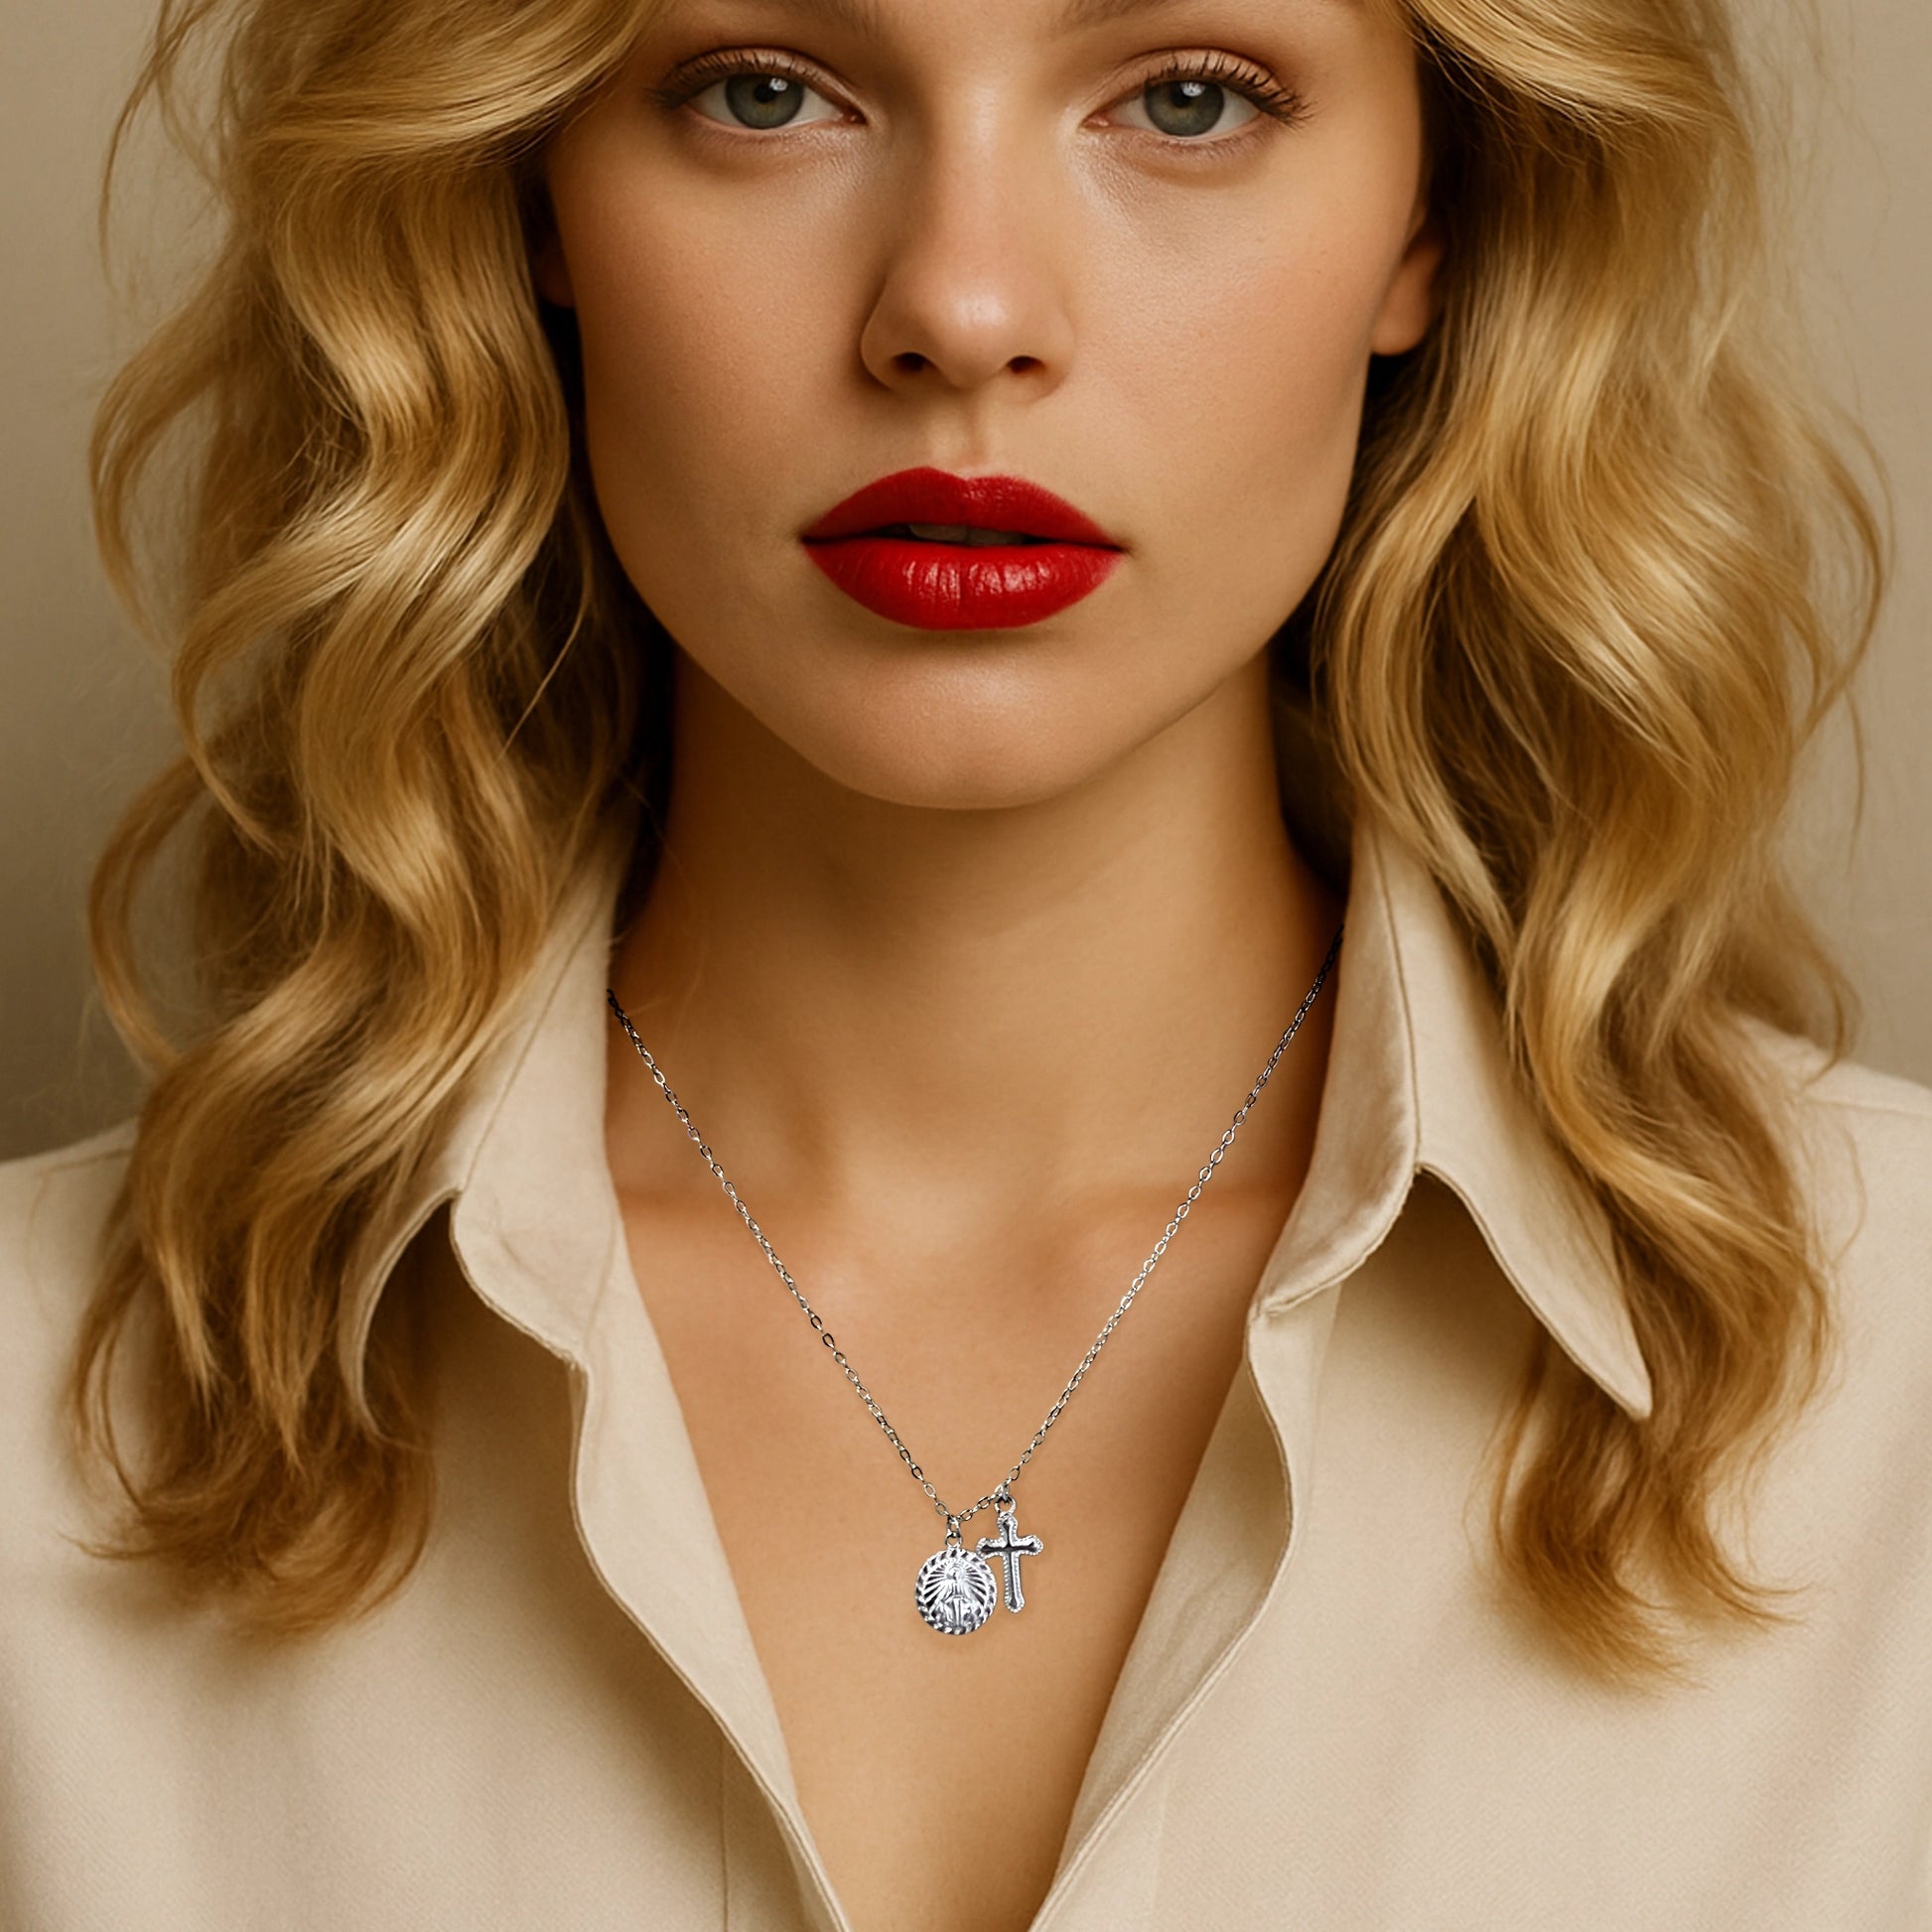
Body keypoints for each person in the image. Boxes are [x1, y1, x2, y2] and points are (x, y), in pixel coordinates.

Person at [2, 0, 1927, 1925]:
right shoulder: (34, 1435)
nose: (962, 306)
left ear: (1434, 217)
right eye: (766, 93)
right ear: (525, 199)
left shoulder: (1895, 1405)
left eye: (1186, 99)